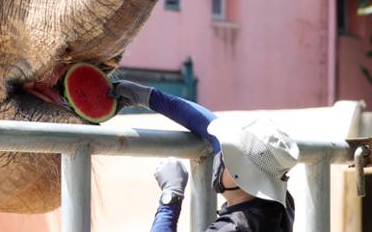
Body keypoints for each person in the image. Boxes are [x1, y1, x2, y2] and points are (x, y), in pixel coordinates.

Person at [111, 80, 299, 232]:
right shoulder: (280, 205)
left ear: (239, 176)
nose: (220, 158)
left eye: (226, 156)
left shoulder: (231, 229)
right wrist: (147, 97)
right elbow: (209, 127)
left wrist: (170, 197)